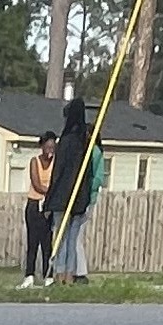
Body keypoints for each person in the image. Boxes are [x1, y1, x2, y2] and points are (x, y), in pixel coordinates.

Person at [53, 122, 106, 283]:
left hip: (87, 199)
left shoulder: (95, 153)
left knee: (75, 238)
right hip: (73, 198)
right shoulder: (78, 151)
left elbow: (98, 177)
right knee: (69, 238)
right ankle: (66, 271)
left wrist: (86, 189)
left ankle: (77, 271)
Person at [20, 138, 56, 285]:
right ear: (42, 147)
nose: (50, 151)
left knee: (47, 243)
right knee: (32, 241)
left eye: (53, 148)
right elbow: (36, 184)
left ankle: (48, 276)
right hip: (34, 204)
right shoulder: (34, 161)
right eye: (48, 147)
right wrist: (50, 191)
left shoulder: (56, 163)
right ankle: (29, 275)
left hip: (48, 205)